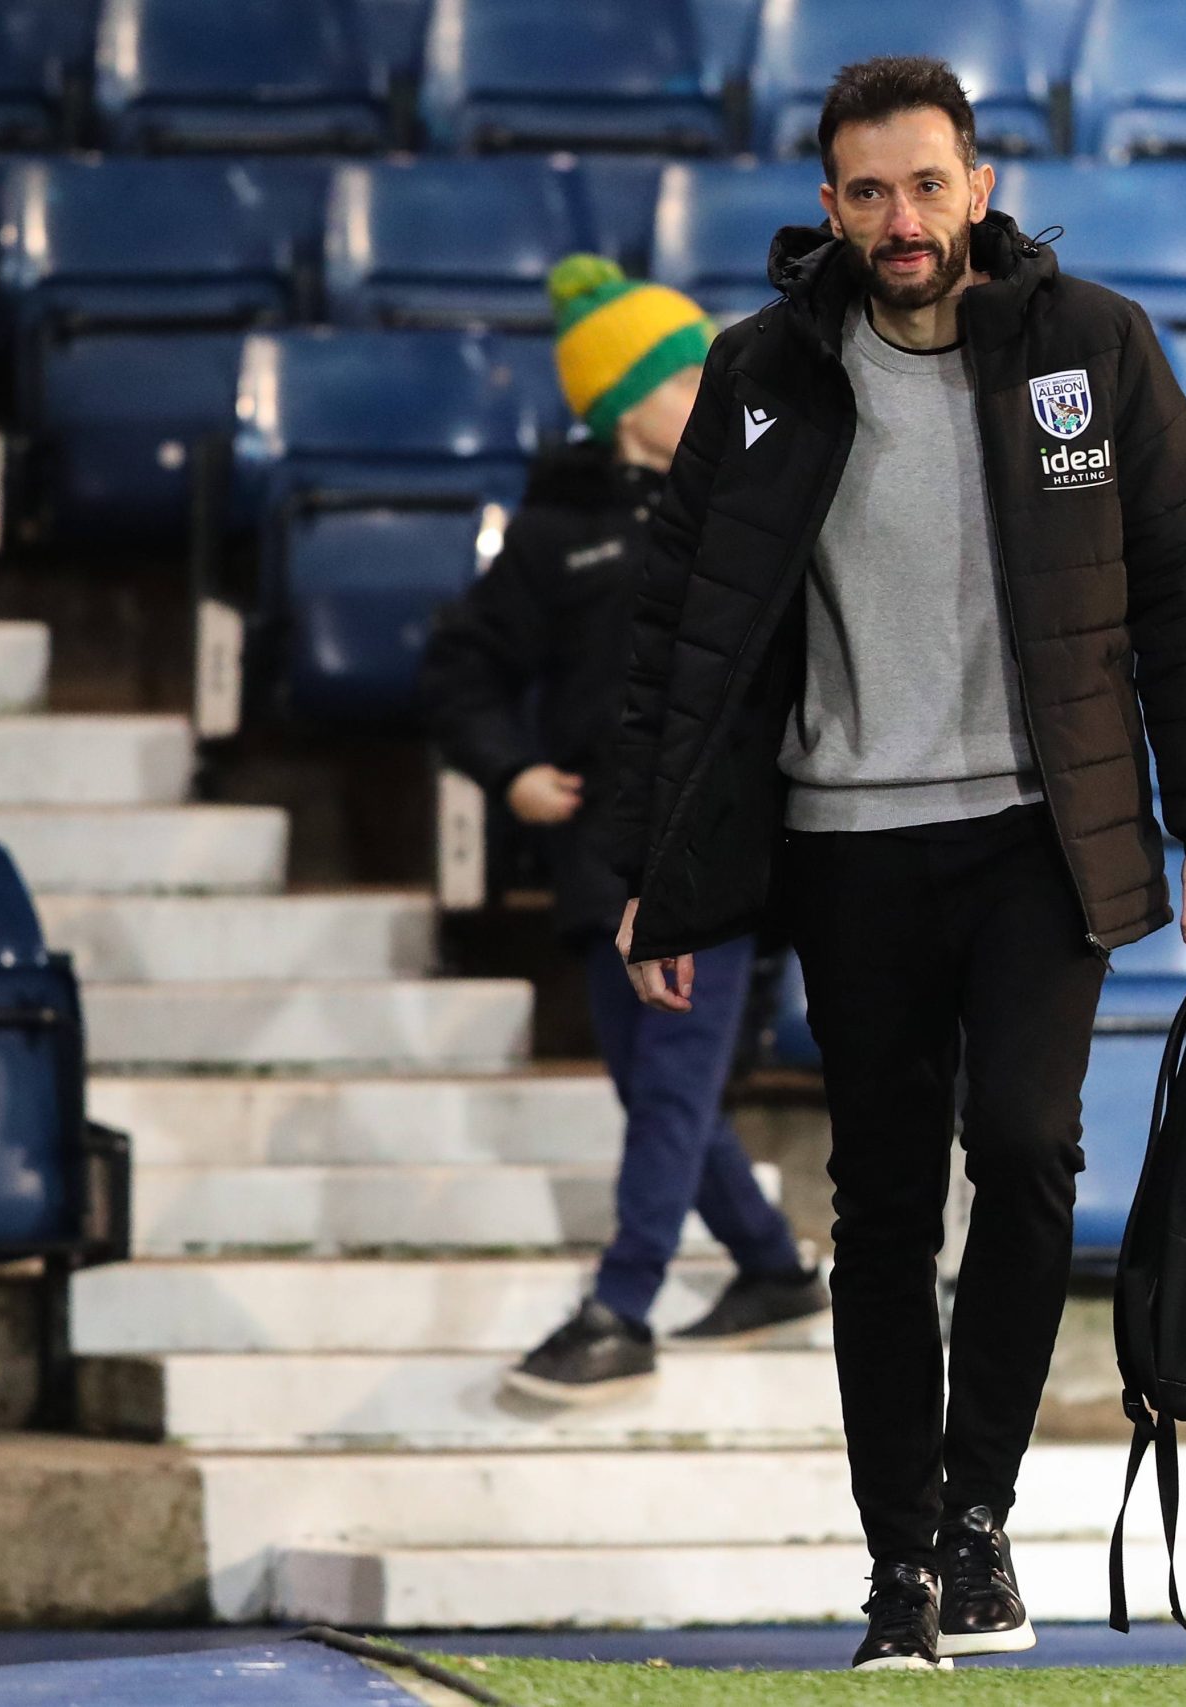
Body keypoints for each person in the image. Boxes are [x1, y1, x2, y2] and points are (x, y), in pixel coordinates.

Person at [604, 58, 1186, 1671]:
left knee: (1028, 1150)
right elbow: (680, 635)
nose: (901, 218)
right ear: (830, 206)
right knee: (886, 1205)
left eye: (925, 184)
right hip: (850, 847)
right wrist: (655, 870)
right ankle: (900, 1563)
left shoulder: (1093, 345)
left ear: (980, 183)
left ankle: (980, 1520)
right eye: (869, 192)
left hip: (1042, 837)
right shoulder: (761, 370)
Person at [421, 255, 830, 1405]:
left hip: (722, 845)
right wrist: (509, 773)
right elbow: (458, 670)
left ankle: (622, 1305)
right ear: (622, 404)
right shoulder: (554, 536)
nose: (711, 386)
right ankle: (771, 1268)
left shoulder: (760, 506)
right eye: (683, 373)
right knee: (653, 1088)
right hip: (603, 852)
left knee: (670, 1084)